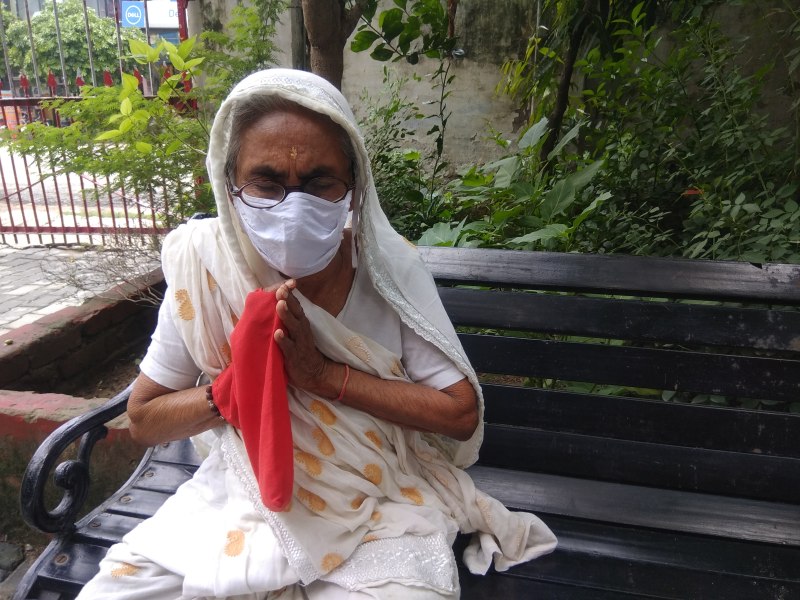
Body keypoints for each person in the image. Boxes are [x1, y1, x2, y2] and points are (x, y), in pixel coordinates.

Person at [77, 68, 556, 600]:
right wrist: (236, 390)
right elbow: (144, 419)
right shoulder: (206, 264)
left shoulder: (388, 270)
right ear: (230, 184)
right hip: (245, 490)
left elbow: (459, 414)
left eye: (319, 180)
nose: (292, 204)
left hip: (379, 495)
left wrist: (325, 377)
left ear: (353, 188)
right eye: (267, 182)